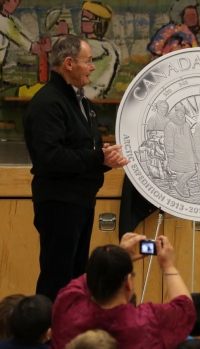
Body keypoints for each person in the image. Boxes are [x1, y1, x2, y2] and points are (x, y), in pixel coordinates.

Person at [23, 34, 128, 302]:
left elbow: (84, 150)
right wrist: (97, 159)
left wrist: (105, 160)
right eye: (88, 61)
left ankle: (70, 336)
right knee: (57, 277)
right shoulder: (48, 102)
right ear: (69, 63)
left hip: (80, 201)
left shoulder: (82, 102)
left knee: (77, 277)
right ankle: (46, 338)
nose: (93, 67)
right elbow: (51, 158)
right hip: (59, 202)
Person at [50, 233, 196, 349]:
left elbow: (89, 278)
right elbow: (185, 309)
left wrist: (112, 261)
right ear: (128, 282)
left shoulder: (67, 305)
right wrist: (168, 265)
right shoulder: (147, 323)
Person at [80, 1, 120, 99]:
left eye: (85, 19)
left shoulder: (98, 47)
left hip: (89, 94)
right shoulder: (108, 46)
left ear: (97, 23)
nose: (82, 22)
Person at [164, 103, 196, 198]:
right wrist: (170, 152)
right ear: (176, 112)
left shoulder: (186, 125)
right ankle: (183, 188)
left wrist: (194, 150)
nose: (181, 114)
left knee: (193, 170)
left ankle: (179, 185)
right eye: (180, 112)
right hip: (177, 153)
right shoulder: (170, 125)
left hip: (188, 153)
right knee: (181, 171)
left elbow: (191, 138)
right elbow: (168, 140)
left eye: (183, 112)